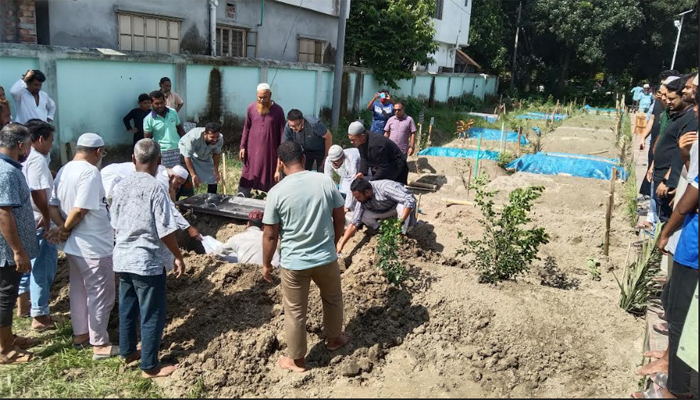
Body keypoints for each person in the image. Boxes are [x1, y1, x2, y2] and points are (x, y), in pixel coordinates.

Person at [262, 141, 349, 372]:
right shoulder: (324, 181)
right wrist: (333, 242)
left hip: (294, 264)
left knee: (295, 311)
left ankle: (297, 360)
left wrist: (266, 264)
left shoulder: (276, 192)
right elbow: (340, 218)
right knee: (332, 299)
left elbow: (270, 236)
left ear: (280, 163)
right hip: (326, 258)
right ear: (303, 156)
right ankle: (333, 340)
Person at [110, 138, 185, 379]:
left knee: (128, 306)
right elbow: (165, 230)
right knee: (152, 311)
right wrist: (177, 255)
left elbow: (114, 223)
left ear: (133, 159)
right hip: (147, 260)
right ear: (160, 161)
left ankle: (128, 350)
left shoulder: (120, 186)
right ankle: (150, 366)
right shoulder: (156, 189)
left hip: (122, 256)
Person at [47, 133, 117, 359]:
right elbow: (80, 209)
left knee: (78, 290)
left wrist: (62, 228)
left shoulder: (65, 169)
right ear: (98, 151)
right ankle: (99, 344)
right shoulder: (90, 172)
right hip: (93, 245)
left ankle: (80, 335)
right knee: (100, 294)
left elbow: (52, 205)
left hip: (74, 246)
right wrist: (66, 228)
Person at [641, 175, 698, 399]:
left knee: (681, 323)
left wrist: (664, 234)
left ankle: (676, 391)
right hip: (691, 254)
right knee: (674, 307)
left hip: (693, 254)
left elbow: (684, 205)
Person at [0, 123, 39, 365]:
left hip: (9, 248)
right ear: (21, 145)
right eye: (29, 146)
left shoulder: (9, 168)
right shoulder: (7, 173)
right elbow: (4, 214)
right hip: (6, 250)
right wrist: (18, 251)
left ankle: (7, 337)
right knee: (5, 296)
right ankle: (4, 350)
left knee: (6, 293)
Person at [17, 120, 58, 331]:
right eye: (50, 140)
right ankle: (40, 316)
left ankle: (22, 307)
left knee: (27, 266)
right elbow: (37, 191)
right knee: (42, 267)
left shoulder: (20, 156)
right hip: (39, 220)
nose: (51, 145)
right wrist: (47, 216)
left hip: (24, 220)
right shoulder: (37, 160)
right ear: (40, 139)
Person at [99, 161, 200, 241]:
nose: (178, 186)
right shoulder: (161, 182)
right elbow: (169, 207)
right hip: (111, 176)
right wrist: (188, 228)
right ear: (173, 176)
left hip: (114, 172)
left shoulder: (163, 170)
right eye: (178, 183)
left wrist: (172, 189)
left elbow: (170, 199)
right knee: (114, 208)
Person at [651, 76, 697, 223]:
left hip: (667, 180)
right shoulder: (679, 115)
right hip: (660, 174)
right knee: (660, 214)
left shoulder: (691, 119)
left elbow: (681, 152)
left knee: (665, 218)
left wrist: (669, 181)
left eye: (671, 98)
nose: (667, 101)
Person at [335, 178, 416, 254]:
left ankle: (400, 236)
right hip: (386, 210)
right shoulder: (362, 200)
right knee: (363, 215)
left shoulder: (385, 188)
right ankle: (380, 230)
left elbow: (409, 199)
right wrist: (341, 245)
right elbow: (354, 223)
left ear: (366, 192)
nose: (356, 199)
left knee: (402, 206)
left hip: (398, 206)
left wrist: (400, 221)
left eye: (358, 196)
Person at [238, 83, 285, 196]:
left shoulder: (278, 111)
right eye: (259, 97)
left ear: (270, 95)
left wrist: (281, 155)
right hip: (252, 151)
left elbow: (282, 134)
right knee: (248, 174)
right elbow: (246, 128)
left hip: (270, 152)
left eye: (264, 97)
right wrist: (242, 147)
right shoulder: (251, 108)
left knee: (269, 176)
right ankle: (242, 197)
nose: (262, 100)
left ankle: (270, 201)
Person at [213, 210, 280, 266]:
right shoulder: (270, 240)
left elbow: (219, 251)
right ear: (264, 226)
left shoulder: (237, 238)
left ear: (248, 224)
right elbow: (276, 261)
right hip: (264, 273)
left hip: (244, 272)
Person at [143, 90, 185, 168]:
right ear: (151, 103)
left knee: (178, 175)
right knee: (164, 176)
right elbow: (147, 140)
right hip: (161, 152)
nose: (160, 106)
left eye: (162, 102)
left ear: (165, 101)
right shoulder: (148, 119)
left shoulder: (173, 112)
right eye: (157, 103)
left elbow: (180, 130)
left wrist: (186, 144)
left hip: (177, 149)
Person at [281, 109, 332, 173]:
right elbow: (285, 146)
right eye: (291, 126)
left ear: (302, 121)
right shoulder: (288, 127)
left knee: (322, 170)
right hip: (305, 151)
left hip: (320, 149)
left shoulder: (314, 124)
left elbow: (328, 137)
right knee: (303, 172)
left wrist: (326, 157)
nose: (293, 128)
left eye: (295, 126)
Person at [179, 122, 223, 194]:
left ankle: (212, 198)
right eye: (212, 137)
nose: (215, 140)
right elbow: (187, 157)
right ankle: (177, 199)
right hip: (186, 152)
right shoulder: (193, 137)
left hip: (203, 154)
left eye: (217, 137)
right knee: (184, 175)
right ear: (205, 134)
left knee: (213, 177)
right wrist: (193, 175)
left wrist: (216, 169)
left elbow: (216, 154)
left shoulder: (220, 138)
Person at [324, 145, 361, 212]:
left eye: (336, 161)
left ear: (342, 157)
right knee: (342, 196)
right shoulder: (329, 160)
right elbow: (328, 180)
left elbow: (354, 182)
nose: (334, 164)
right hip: (346, 177)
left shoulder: (352, 159)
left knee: (354, 204)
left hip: (360, 175)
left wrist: (347, 207)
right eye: (332, 162)